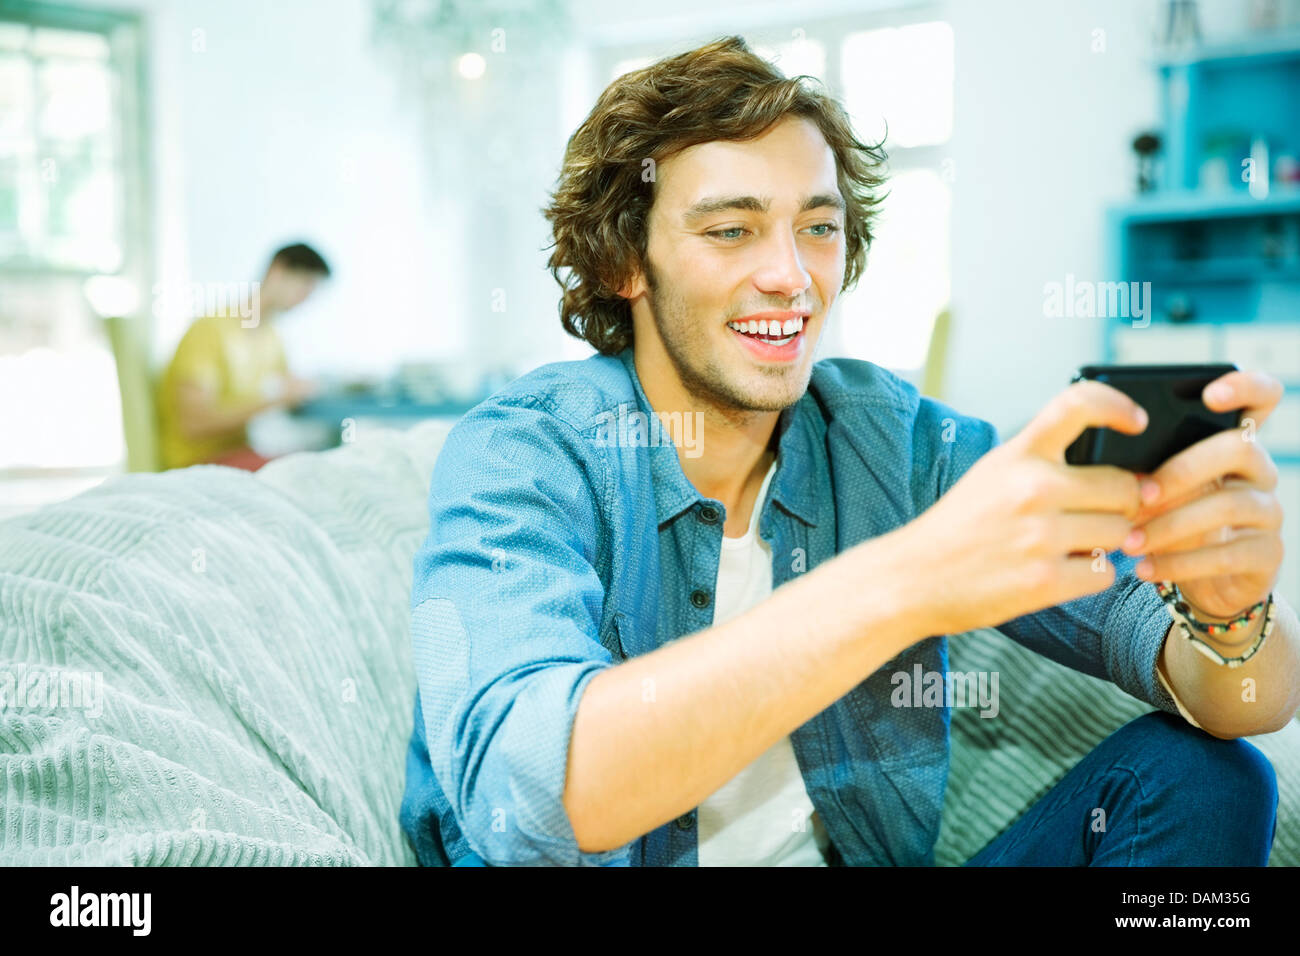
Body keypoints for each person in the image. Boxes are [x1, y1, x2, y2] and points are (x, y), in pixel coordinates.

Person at [400, 36, 1297, 867]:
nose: (792, 275)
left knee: (1209, 778)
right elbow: (530, 799)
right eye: (730, 229)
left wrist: (1226, 610)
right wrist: (909, 580)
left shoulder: (890, 436)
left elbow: (1250, 702)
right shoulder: (524, 451)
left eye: (818, 227)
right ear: (623, 264)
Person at [156, 242, 329, 470]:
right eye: (305, 285)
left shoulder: (272, 338)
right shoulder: (211, 330)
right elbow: (193, 424)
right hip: (200, 462)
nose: (306, 298)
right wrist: (276, 398)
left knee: (320, 462)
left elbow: (289, 387)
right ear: (278, 270)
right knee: (307, 472)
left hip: (242, 453)